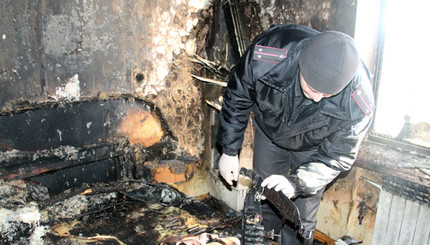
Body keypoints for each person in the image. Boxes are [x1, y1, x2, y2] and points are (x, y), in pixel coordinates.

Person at [216, 24, 375, 244]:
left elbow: (339, 155)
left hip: (316, 151)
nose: (317, 98)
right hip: (271, 133)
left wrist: (298, 183)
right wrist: (229, 150)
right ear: (302, 63)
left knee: (300, 219)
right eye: (312, 88)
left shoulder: (358, 102)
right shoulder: (267, 56)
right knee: (266, 202)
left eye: (328, 94)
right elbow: (238, 98)